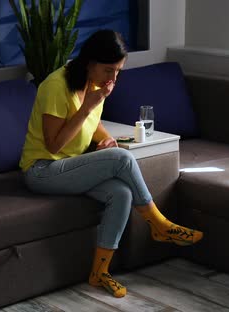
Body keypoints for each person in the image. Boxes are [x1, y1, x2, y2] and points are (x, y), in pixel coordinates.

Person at [19, 29, 203, 298]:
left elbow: (94, 127)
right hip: (42, 170)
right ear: (90, 62)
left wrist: (107, 140)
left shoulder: (94, 85)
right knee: (123, 159)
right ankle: (159, 224)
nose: (113, 79)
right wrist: (86, 108)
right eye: (109, 71)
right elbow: (54, 145)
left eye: (118, 72)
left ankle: (99, 273)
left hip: (72, 165)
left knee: (121, 193)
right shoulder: (55, 86)